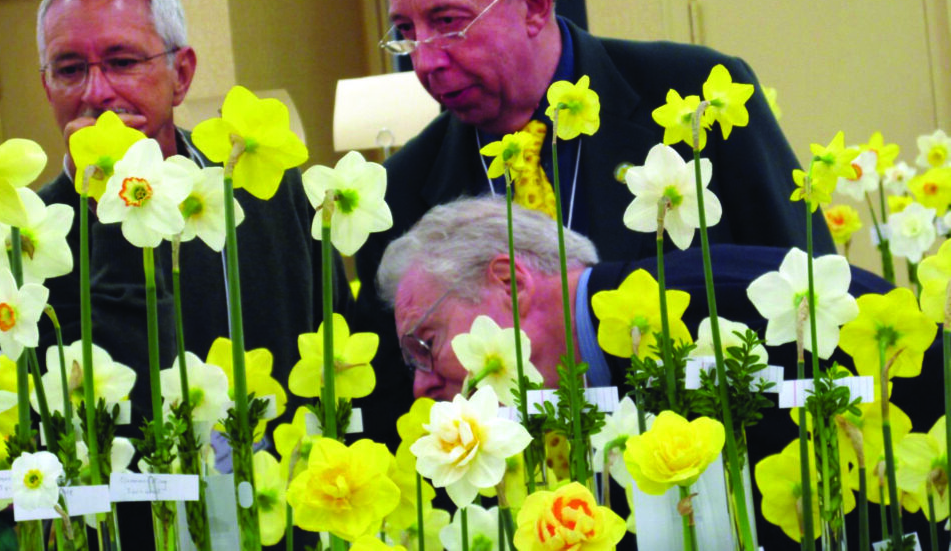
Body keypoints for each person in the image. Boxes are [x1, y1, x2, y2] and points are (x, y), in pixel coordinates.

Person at [355, 0, 831, 446]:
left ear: (533, 3)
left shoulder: (694, 97)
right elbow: (404, 416)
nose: (427, 61)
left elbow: (813, 294)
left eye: (448, 21)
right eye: (407, 33)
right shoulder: (398, 195)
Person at [0, 0, 350, 541]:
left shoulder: (269, 195)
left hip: (287, 519)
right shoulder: (21, 246)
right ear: (46, 84)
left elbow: (333, 348)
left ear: (182, 73)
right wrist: (109, 209)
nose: (97, 92)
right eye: (70, 69)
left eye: (122, 62)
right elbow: (120, 410)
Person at [377, 197, 916, 551]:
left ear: (510, 282)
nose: (422, 384)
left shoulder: (718, 305)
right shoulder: (566, 406)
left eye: (425, 344)